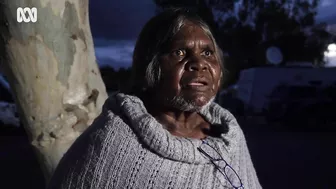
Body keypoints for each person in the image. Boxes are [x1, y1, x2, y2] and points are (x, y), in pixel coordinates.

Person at [48, 8, 262, 189]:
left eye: (207, 53)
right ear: (149, 66)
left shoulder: (229, 135)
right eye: (179, 52)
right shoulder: (111, 142)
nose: (199, 63)